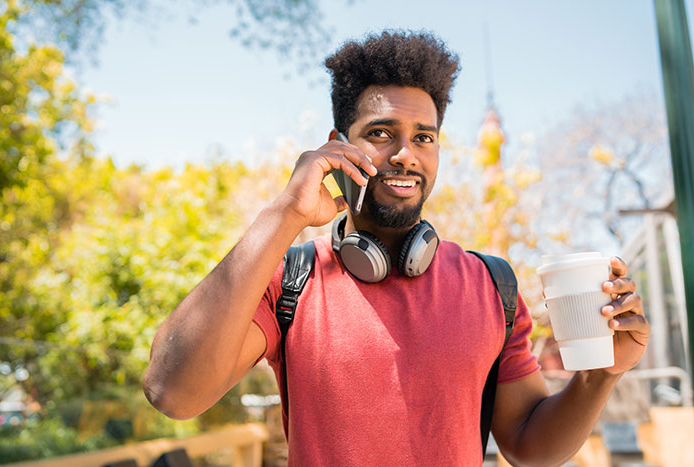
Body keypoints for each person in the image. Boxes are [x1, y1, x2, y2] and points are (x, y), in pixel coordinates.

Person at [143, 31, 650, 466]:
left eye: (424, 137)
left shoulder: (493, 286)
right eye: (381, 133)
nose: (406, 155)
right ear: (336, 145)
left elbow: (528, 447)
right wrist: (285, 213)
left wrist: (601, 377)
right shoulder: (290, 280)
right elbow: (173, 392)